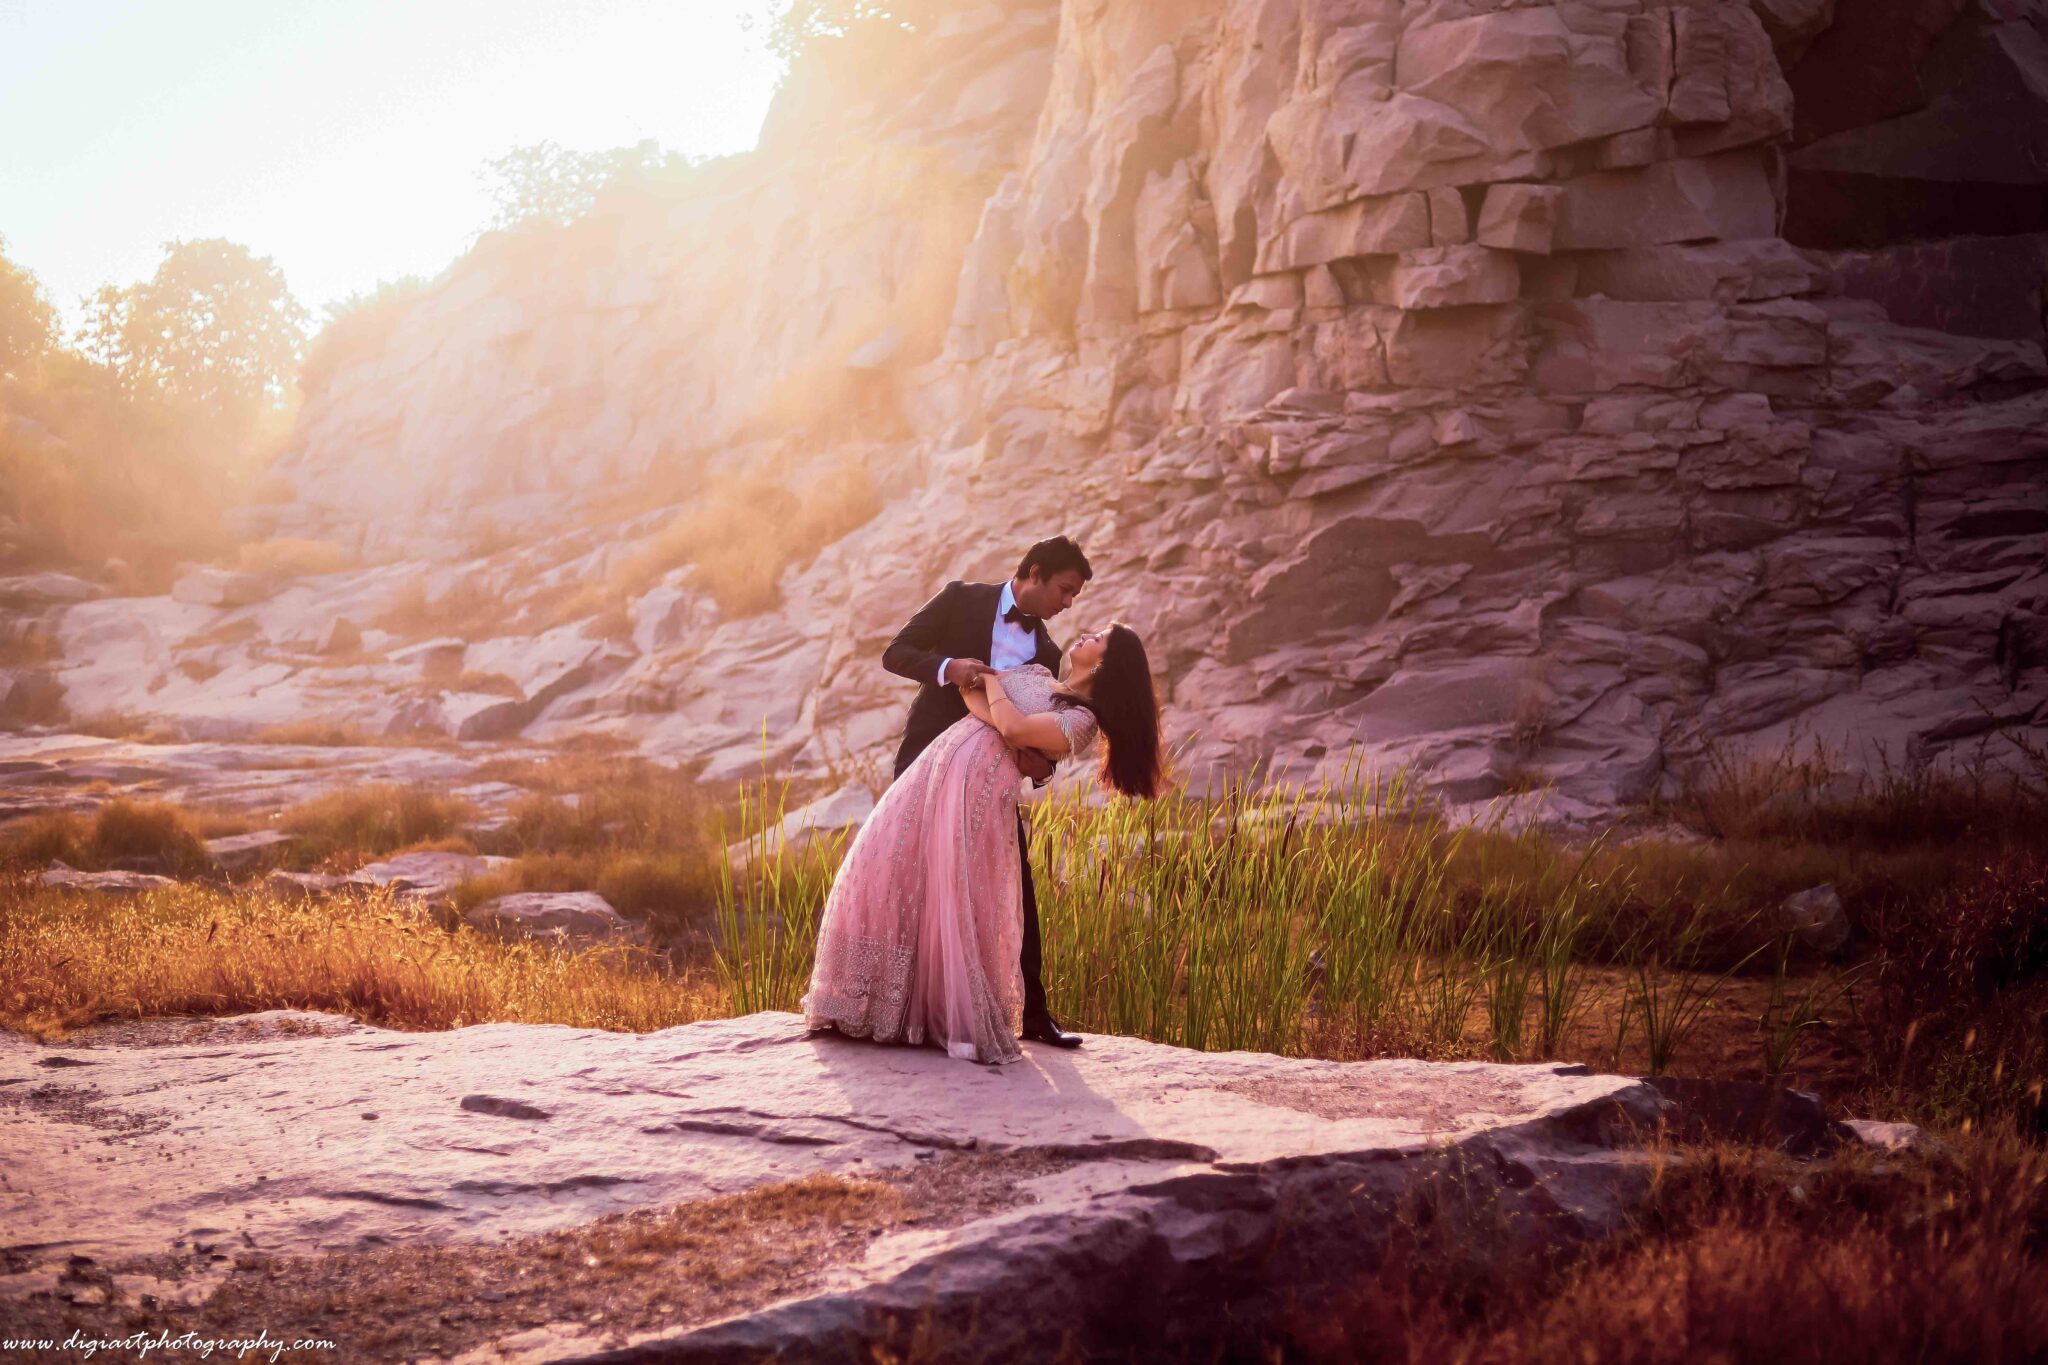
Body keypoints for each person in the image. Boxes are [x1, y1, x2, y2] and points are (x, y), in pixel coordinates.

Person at [800, 540, 1163, 1064]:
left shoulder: (1048, 655)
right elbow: (896, 653)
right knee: (903, 876)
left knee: (1012, 883)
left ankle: (1034, 1013)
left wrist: (1037, 763)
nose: (1066, 605)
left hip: (986, 784)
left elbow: (1048, 729)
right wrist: (951, 667)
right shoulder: (962, 598)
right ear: (1033, 573)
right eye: (1063, 591)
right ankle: (895, 1000)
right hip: (930, 756)